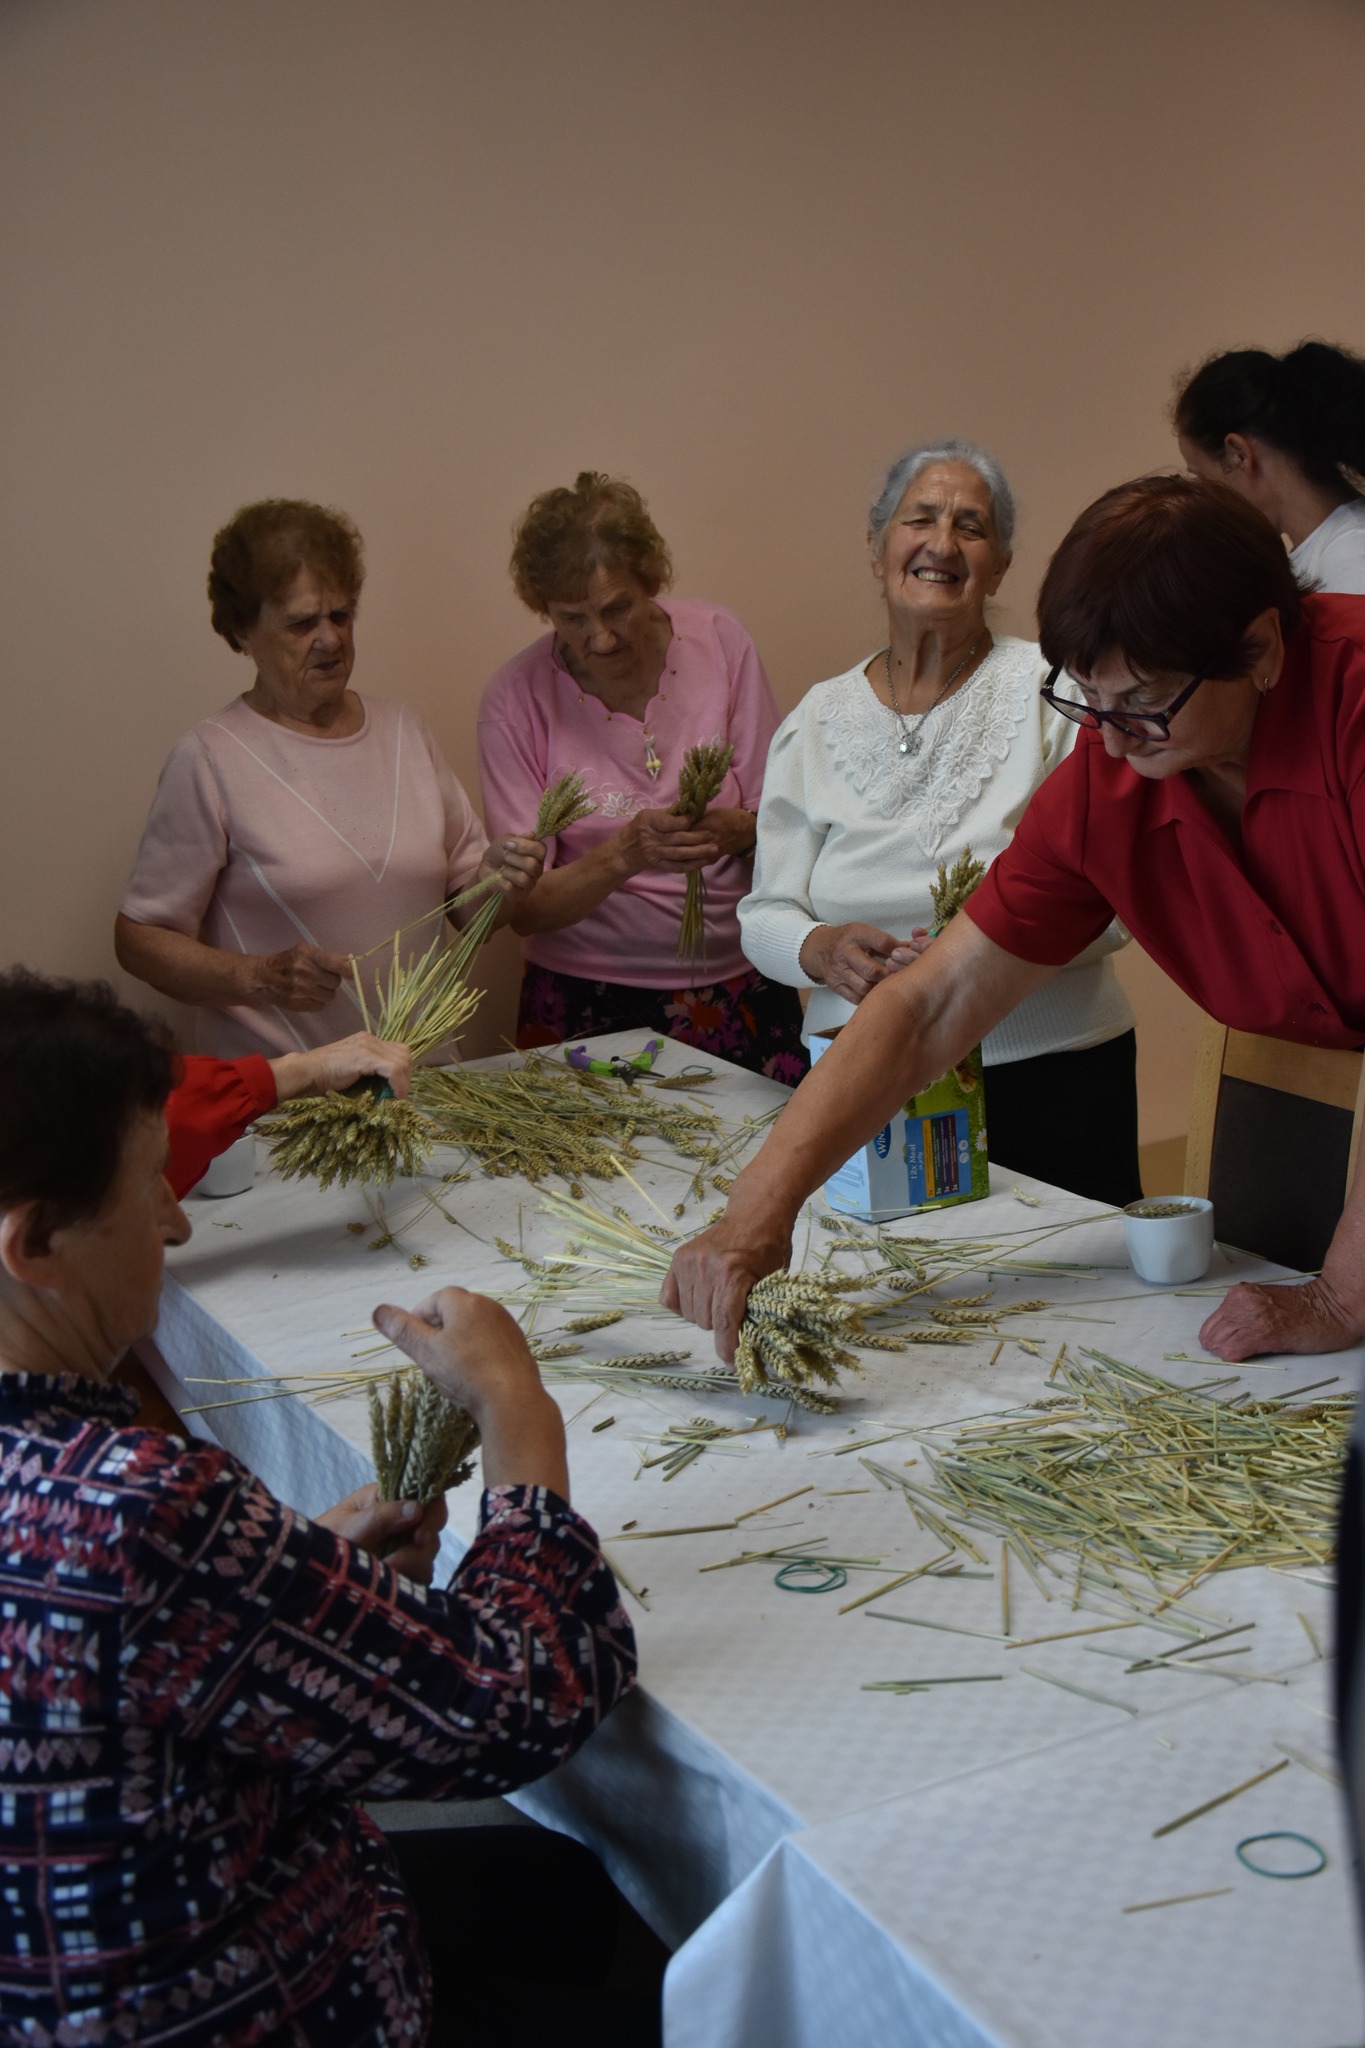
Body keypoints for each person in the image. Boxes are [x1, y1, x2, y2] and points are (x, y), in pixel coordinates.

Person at [0, 969, 644, 2044]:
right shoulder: (132, 1512)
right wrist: (517, 1415)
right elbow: (521, 1702)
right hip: (249, 2002)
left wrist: (288, 1579)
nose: (175, 1221)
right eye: (152, 1183)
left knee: (555, 1883)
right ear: (32, 1246)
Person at [662, 475, 1365, 1372]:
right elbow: (932, 1003)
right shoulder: (1108, 779)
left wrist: (1342, 1294)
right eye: (1086, 703)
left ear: (1259, 646)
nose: (1107, 741)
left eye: (1142, 702)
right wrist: (756, 1210)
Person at [738, 439, 1139, 1205]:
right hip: (864, 1076)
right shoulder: (815, 720)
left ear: (1002, 563)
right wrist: (820, 951)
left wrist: (970, 948)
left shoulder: (1057, 693)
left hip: (1051, 1073)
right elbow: (764, 914)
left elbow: (1111, 902)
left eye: (971, 526)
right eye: (918, 518)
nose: (941, 543)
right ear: (876, 544)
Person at [116, 499, 545, 1059]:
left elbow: (472, 916)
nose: (330, 639)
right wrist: (260, 976)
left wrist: (498, 883)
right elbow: (141, 940)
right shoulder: (210, 758)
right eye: (301, 623)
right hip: (289, 1108)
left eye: (341, 616)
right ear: (242, 631)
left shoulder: (404, 732)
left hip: (427, 1091)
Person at [477, 471, 807, 1082]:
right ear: (541, 607)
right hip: (585, 1001)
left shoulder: (720, 641)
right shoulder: (514, 698)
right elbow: (526, 909)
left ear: (650, 582)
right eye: (571, 618)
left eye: (617, 608)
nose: (598, 638)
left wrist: (732, 830)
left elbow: (785, 825)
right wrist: (625, 853)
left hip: (739, 985)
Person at [1175, 341, 1365, 594]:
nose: (1207, 499)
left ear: (1238, 454)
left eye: (1201, 477)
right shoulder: (1319, 558)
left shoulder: (1352, 562)